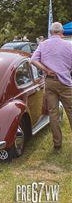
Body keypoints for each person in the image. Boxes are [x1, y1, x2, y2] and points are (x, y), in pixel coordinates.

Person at [31, 22, 72, 152]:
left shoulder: (43, 45)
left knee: (53, 114)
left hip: (49, 82)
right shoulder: (69, 45)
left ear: (50, 32)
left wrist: (46, 70)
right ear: (62, 32)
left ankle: (57, 145)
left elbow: (33, 60)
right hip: (65, 82)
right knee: (70, 112)